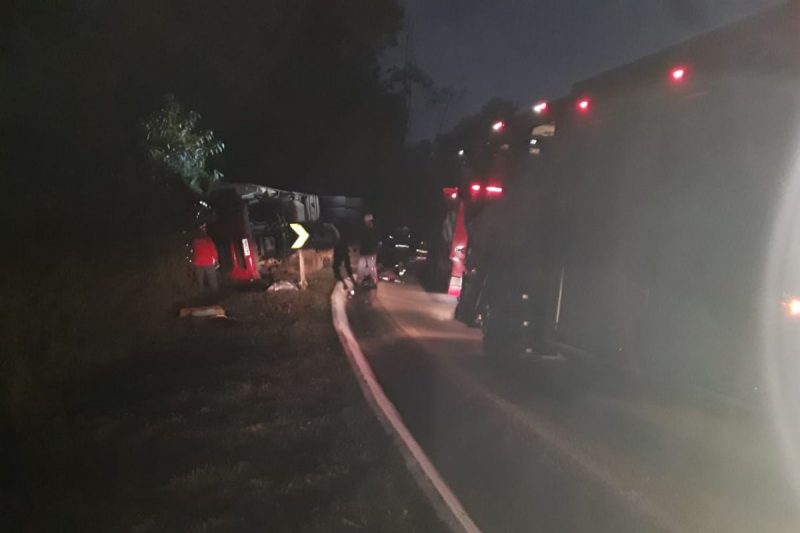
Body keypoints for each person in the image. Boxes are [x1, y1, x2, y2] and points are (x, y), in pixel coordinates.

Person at [192, 224, 219, 290]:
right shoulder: (208, 240)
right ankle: (215, 292)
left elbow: (194, 251)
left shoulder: (195, 241)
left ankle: (200, 292)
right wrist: (216, 260)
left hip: (197, 262)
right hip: (208, 262)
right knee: (212, 279)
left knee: (199, 280)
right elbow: (213, 251)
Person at [358, 213, 380, 288]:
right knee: (361, 267)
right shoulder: (363, 230)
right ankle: (360, 281)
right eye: (366, 222)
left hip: (371, 252)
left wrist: (375, 249)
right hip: (364, 252)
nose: (366, 223)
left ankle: (374, 281)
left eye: (367, 221)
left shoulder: (374, 230)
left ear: (370, 221)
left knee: (372, 267)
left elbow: (375, 241)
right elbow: (361, 240)